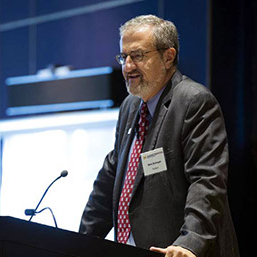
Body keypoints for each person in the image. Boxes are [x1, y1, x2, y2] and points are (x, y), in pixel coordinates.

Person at [79, 15, 240, 257]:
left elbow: (207, 181)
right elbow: (110, 180)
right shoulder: (130, 107)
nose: (128, 66)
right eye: (124, 57)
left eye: (138, 56)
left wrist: (190, 242)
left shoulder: (194, 102)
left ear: (168, 56)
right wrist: (78, 243)